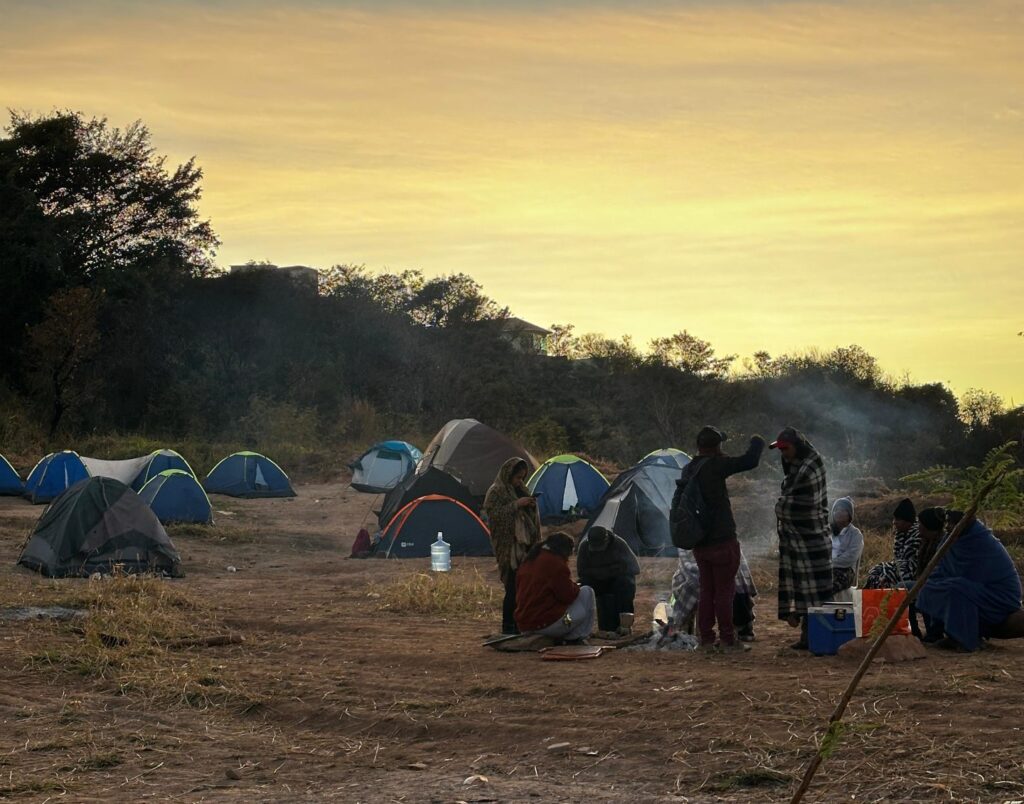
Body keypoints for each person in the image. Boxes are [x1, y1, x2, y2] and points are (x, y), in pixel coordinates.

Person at [672, 426, 765, 652]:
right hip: (722, 541)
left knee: (707, 592)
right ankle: (727, 640)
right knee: (724, 592)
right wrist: (757, 442)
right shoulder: (716, 465)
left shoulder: (689, 469)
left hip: (700, 544)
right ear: (717, 446)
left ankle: (705, 640)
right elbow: (750, 461)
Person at [917, 514, 1024, 652]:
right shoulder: (949, 540)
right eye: (948, 522)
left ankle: (965, 640)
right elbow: (941, 568)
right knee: (929, 587)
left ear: (966, 524)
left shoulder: (982, 542)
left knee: (956, 589)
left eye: (953, 523)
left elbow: (976, 575)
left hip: (996, 595)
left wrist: (947, 581)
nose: (948, 527)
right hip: (967, 587)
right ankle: (939, 633)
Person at [771, 427, 833, 650]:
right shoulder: (797, 465)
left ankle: (819, 636)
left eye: (786, 449)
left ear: (797, 446)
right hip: (798, 539)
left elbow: (806, 503)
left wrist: (782, 506)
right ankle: (808, 636)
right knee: (802, 587)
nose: (783, 454)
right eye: (780, 450)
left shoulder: (810, 467)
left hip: (813, 536)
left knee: (816, 590)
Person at [483, 457, 542, 635]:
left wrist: (530, 505)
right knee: (512, 586)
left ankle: (521, 623)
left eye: (522, 478)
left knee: (524, 587)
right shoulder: (496, 492)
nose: (520, 481)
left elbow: (528, 515)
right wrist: (516, 505)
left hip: (525, 546)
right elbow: (495, 516)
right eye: (517, 478)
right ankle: (508, 626)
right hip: (509, 547)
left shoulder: (521, 489)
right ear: (508, 475)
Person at [515, 531, 595, 642]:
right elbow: (567, 596)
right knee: (587, 592)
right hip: (546, 625)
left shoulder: (530, 560)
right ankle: (578, 636)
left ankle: (567, 633)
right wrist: (575, 586)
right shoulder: (555, 563)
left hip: (525, 625)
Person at [669, 546, 759, 642]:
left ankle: (723, 635)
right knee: (699, 586)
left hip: (721, 559)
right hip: (705, 563)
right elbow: (687, 562)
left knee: (734, 585)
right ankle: (717, 636)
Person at [577, 525, 640, 636]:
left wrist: (609, 572)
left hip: (615, 581)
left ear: (606, 540)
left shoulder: (619, 544)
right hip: (597, 581)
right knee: (582, 586)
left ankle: (625, 625)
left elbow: (634, 568)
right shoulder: (584, 547)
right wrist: (601, 573)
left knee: (626, 583)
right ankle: (580, 628)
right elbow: (581, 572)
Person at [863, 498, 920, 589]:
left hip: (910, 573)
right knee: (875, 572)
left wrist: (889, 571)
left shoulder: (917, 536)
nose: (894, 522)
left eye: (898, 519)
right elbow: (897, 560)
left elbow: (911, 566)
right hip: (899, 569)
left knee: (885, 578)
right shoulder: (901, 534)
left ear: (907, 521)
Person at [829, 497, 864, 595]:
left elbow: (850, 557)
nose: (838, 512)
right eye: (836, 510)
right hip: (825, 567)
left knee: (828, 583)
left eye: (843, 510)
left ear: (850, 514)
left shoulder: (855, 534)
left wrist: (829, 563)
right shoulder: (826, 531)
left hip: (845, 571)